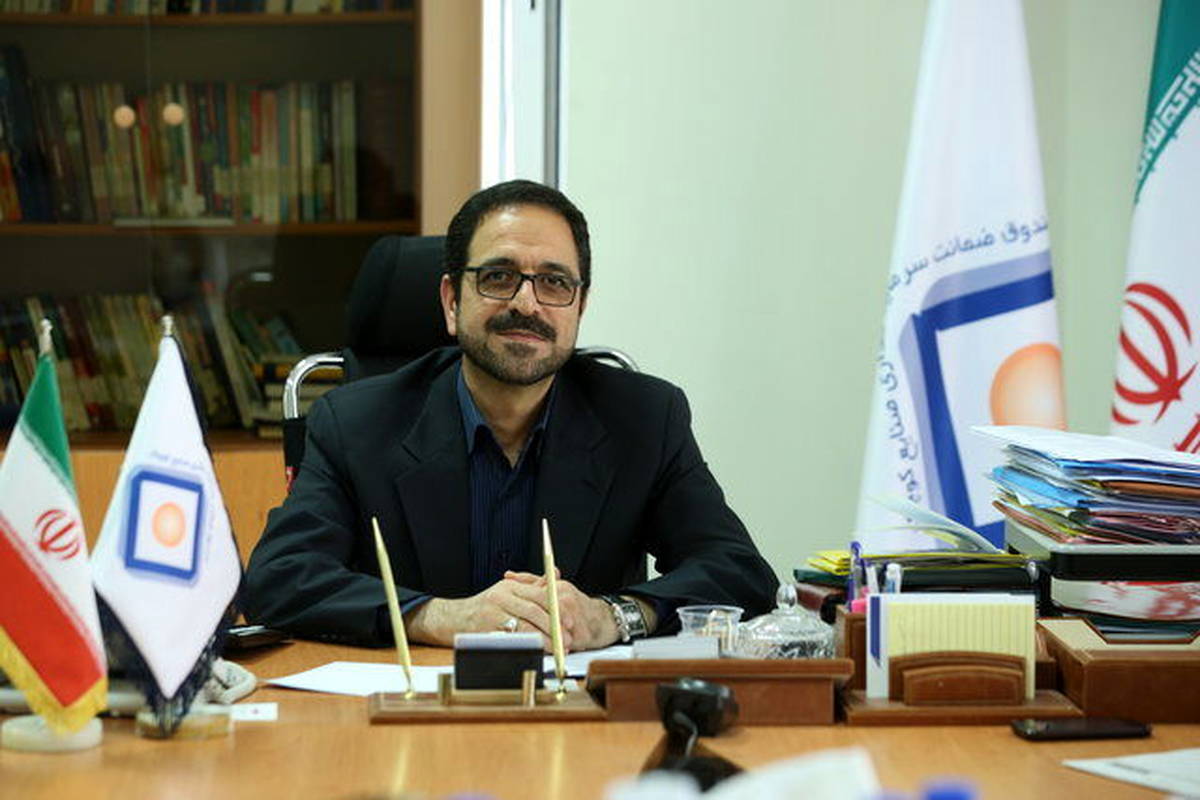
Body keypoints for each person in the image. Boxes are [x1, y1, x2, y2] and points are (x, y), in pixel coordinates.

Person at [243, 180, 777, 651]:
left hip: (580, 712)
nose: (527, 303)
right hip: (415, 708)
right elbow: (278, 580)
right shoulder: (356, 422)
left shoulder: (644, 418)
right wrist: (441, 617)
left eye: (554, 282)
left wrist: (614, 616)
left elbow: (739, 573)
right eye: (499, 277)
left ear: (580, 307)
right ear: (452, 301)